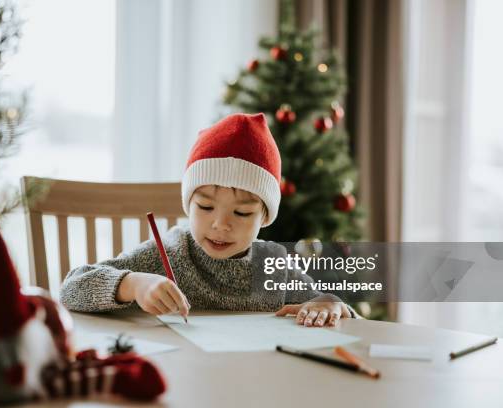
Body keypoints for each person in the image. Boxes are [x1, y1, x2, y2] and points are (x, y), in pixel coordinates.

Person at [60, 113, 356, 326]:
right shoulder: (168, 254)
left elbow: (339, 312)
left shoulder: (272, 266)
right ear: (188, 204)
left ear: (264, 216)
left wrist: (331, 304)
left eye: (241, 213)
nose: (220, 225)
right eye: (205, 207)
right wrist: (133, 284)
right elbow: (71, 289)